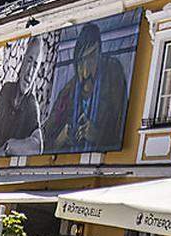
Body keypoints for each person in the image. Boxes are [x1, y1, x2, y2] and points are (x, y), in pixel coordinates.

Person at [42, 22, 127, 153]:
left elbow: (121, 130)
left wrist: (98, 136)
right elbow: (43, 145)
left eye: (92, 57)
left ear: (100, 54)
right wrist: (62, 138)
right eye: (82, 61)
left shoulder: (113, 74)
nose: (86, 71)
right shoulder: (67, 93)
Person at [0, 37, 45, 156]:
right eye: (29, 61)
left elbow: (38, 145)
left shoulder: (31, 103)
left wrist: (8, 147)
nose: (30, 71)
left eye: (35, 65)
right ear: (22, 60)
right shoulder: (6, 89)